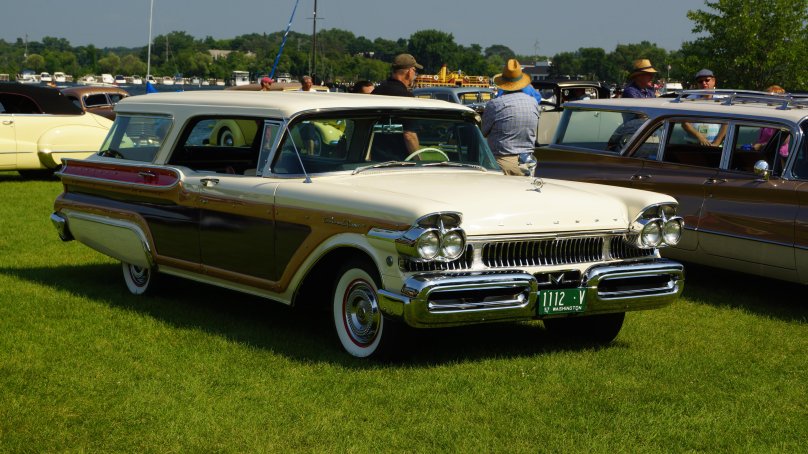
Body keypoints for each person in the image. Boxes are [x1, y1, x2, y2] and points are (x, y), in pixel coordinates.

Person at [481, 59, 541, 176]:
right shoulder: (533, 102)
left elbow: (483, 132)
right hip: (528, 162)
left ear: (503, 83)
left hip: (502, 162)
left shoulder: (495, 104)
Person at [372, 54, 424, 154]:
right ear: (409, 72)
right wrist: (418, 159)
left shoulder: (377, 91)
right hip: (398, 159)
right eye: (415, 71)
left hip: (374, 157)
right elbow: (409, 135)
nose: (415, 74)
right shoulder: (406, 97)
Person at [683, 69, 728, 146]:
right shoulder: (690, 99)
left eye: (707, 80)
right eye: (700, 81)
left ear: (713, 81)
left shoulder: (722, 100)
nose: (704, 83)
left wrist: (717, 143)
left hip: (714, 146)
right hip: (692, 145)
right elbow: (684, 123)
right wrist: (699, 136)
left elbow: (726, 124)